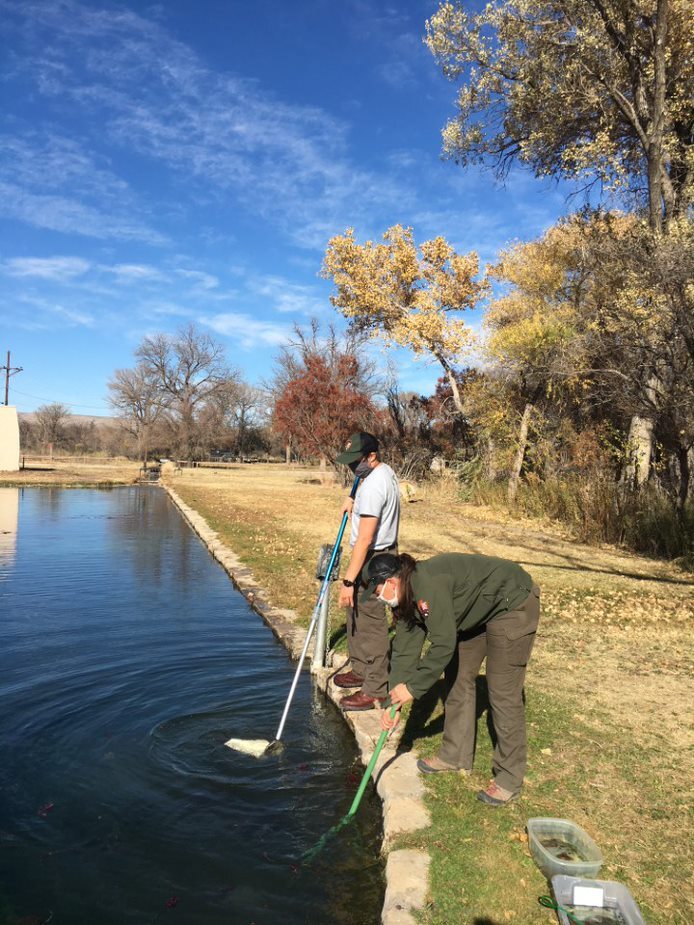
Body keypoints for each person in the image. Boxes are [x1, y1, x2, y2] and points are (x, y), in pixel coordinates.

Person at [361, 551, 540, 806]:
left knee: (502, 691)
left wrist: (413, 688)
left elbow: (443, 644)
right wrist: (394, 702)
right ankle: (454, 754)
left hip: (511, 601)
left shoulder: (427, 587)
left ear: (391, 581)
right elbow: (404, 649)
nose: (379, 598)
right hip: (475, 610)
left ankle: (509, 778)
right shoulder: (406, 598)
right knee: (456, 676)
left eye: (378, 591)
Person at [333, 432, 400, 711]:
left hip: (375, 558)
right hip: (372, 554)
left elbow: (365, 539)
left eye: (355, 462)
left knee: (371, 621)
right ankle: (360, 668)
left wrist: (348, 580)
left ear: (372, 456)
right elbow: (365, 496)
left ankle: (374, 688)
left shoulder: (374, 486)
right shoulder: (377, 474)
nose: (351, 468)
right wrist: (353, 502)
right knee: (355, 611)